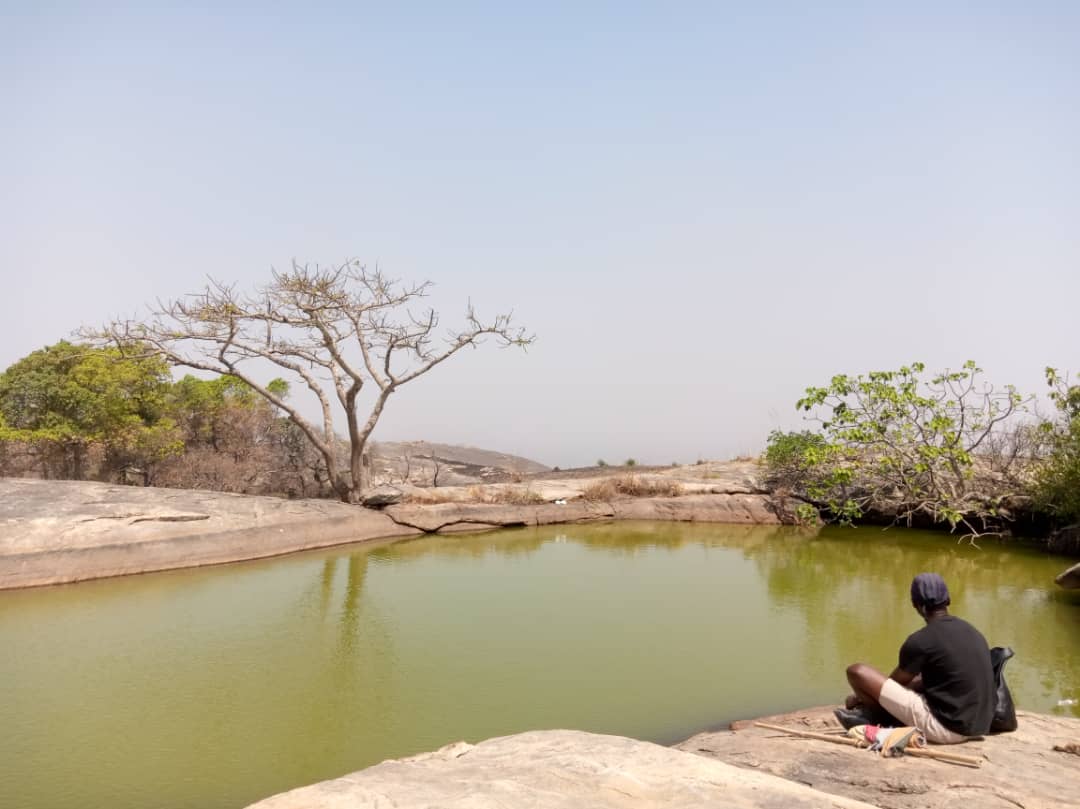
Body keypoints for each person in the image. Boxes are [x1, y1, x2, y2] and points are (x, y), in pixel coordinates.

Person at [835, 572, 995, 744]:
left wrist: (857, 698)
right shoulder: (973, 632)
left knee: (857, 672)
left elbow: (893, 685)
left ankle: (876, 718)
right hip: (981, 726)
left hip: (948, 729)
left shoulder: (921, 641)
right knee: (919, 679)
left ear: (914, 604)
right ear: (948, 600)